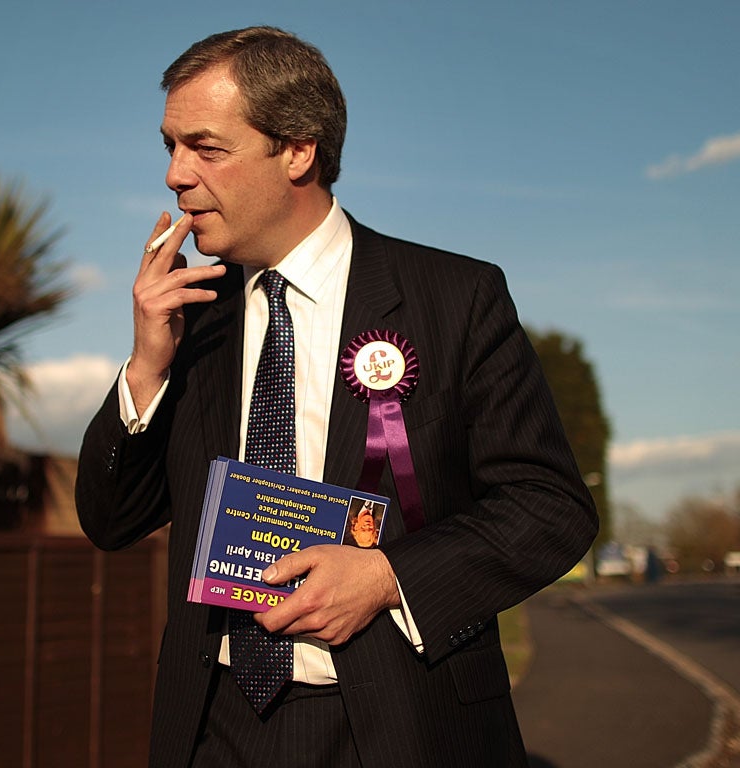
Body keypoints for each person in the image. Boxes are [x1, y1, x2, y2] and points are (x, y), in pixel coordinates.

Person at [76, 26, 598, 768]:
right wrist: (147, 367)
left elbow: (551, 508)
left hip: (400, 726)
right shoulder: (190, 319)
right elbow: (112, 520)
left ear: (298, 149)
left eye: (206, 147)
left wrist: (388, 577)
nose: (175, 175)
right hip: (212, 727)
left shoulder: (455, 298)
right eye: (169, 146)